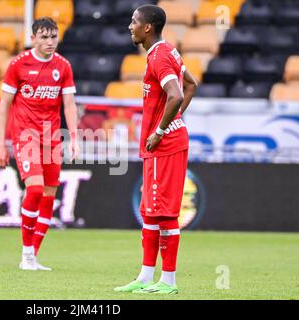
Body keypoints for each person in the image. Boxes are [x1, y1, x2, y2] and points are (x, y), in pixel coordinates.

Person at [114, 4, 198, 294]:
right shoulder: (167, 51)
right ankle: (146, 276)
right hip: (162, 143)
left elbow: (177, 93)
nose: (130, 26)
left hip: (165, 144)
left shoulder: (160, 57)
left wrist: (162, 128)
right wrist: (173, 119)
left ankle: (169, 281)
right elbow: (191, 84)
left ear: (147, 27)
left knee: (163, 212)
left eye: (134, 22)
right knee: (150, 212)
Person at [0, 17, 79, 271]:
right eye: (44, 37)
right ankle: (27, 253)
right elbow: (4, 105)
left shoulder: (63, 66)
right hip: (26, 136)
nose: (50, 42)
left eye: (53, 36)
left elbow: (69, 104)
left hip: (52, 138)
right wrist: (1, 143)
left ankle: (31, 257)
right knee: (34, 191)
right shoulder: (19, 65)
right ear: (33, 39)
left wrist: (73, 136)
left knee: (48, 198)